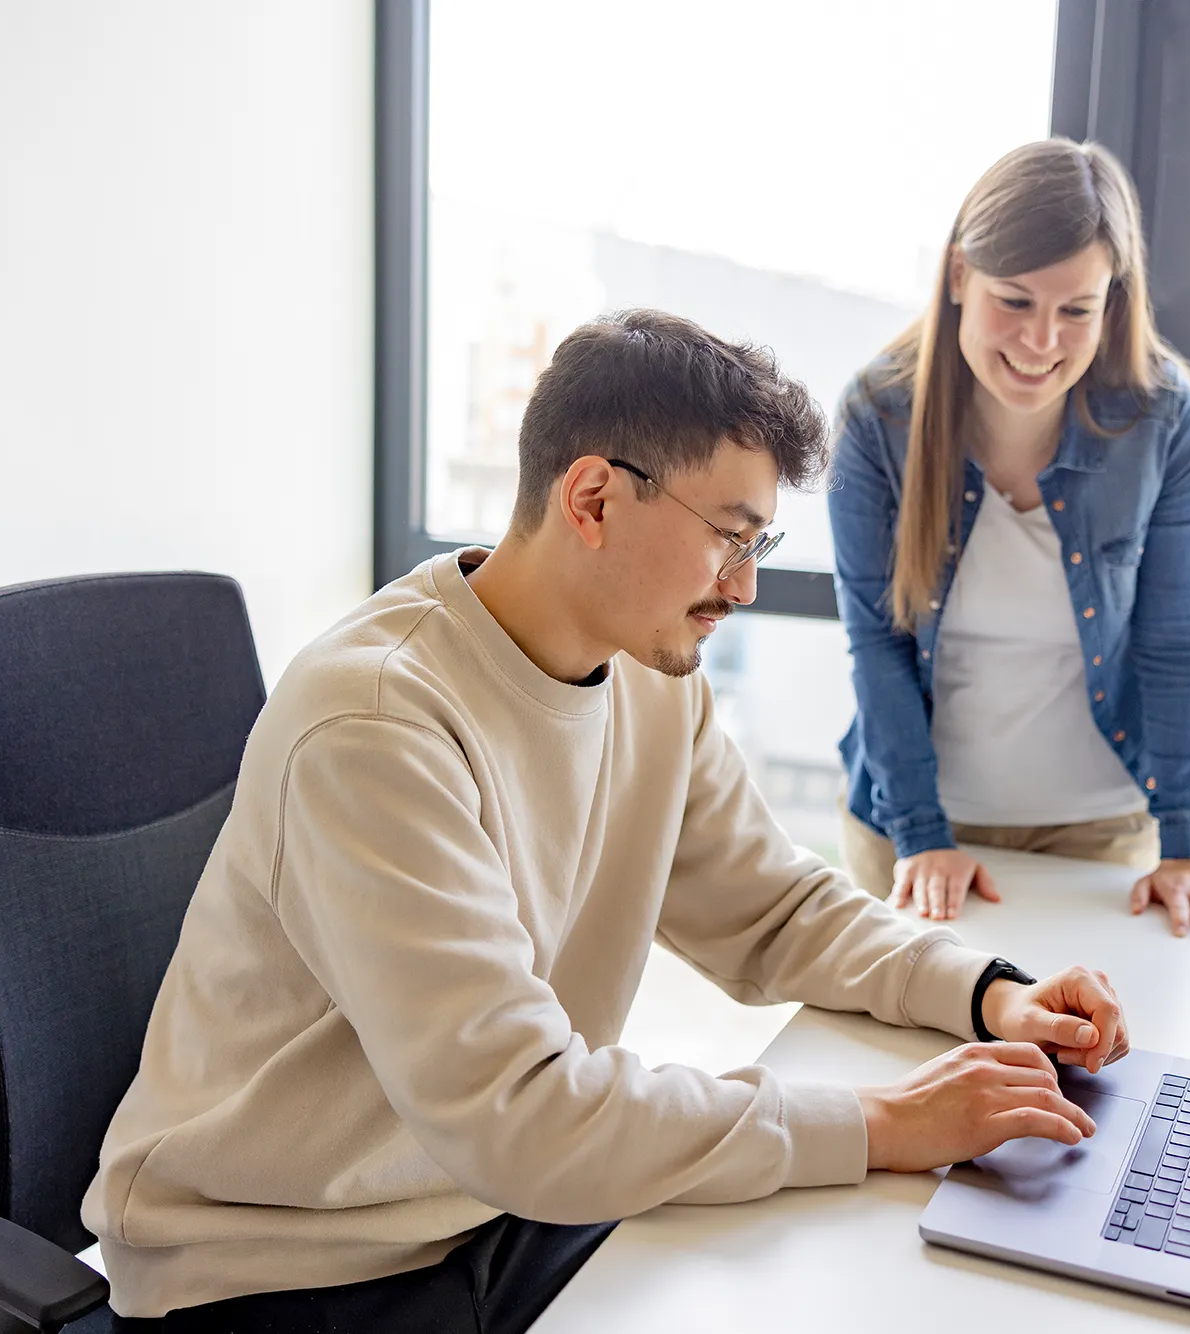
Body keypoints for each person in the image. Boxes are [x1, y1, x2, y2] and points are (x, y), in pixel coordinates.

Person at [86, 308, 1133, 1333]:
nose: (746, 583)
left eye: (758, 538)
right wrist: (882, 1122)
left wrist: (989, 991)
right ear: (590, 496)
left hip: (485, 1211)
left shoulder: (648, 673)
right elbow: (523, 1112)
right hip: (283, 1268)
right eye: (729, 534)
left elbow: (771, 908)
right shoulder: (376, 729)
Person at [830, 138, 1190, 940]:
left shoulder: (1164, 423)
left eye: (1075, 311)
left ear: (1113, 303)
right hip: (917, 832)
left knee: (1091, 1060)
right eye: (1015, 301)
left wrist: (1189, 846)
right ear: (960, 276)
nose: (1040, 342)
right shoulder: (877, 416)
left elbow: (1177, 641)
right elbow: (875, 640)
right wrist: (922, 835)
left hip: (1102, 835)